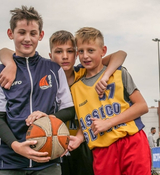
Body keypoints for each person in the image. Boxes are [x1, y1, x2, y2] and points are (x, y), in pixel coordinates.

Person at [0, 30, 127, 175]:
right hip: (52, 145)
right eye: (59, 52)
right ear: (50, 56)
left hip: (80, 142)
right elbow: (5, 51)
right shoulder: (45, 76)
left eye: (70, 51)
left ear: (76, 54)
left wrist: (106, 76)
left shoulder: (84, 73)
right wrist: (10, 63)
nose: (65, 56)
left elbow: (120, 54)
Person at [0, 6, 75, 174]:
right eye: (22, 32)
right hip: (11, 162)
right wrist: (16, 146)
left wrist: (49, 117)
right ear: (10, 34)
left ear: (40, 35)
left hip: (48, 161)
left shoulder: (54, 69)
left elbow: (69, 110)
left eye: (33, 33)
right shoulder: (2, 72)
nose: (27, 39)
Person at [68, 27, 151, 175]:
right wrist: (79, 139)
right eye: (81, 51)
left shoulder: (118, 73)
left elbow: (142, 106)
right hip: (102, 150)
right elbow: (84, 123)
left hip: (131, 140)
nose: (85, 56)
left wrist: (108, 123)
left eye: (91, 50)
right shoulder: (75, 88)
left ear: (103, 50)